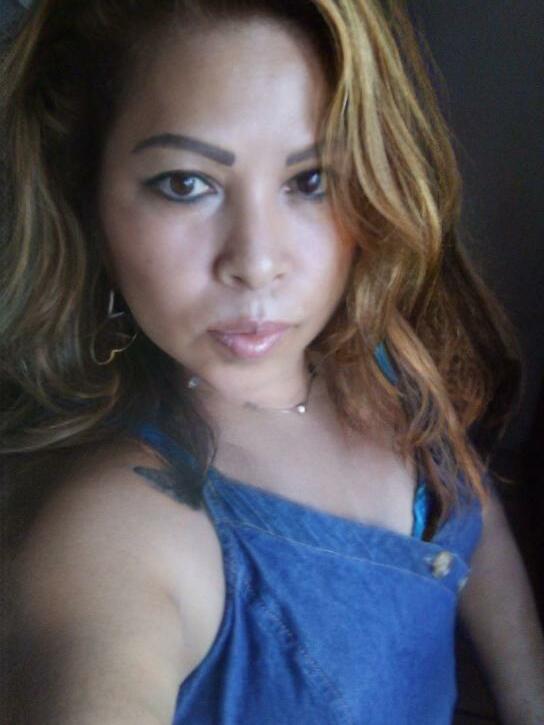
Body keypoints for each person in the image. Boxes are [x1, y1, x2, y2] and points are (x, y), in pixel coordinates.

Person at [1, 1, 543, 722]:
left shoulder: (380, 353)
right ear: (88, 196)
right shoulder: (113, 534)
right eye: (186, 182)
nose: (257, 263)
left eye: (311, 180)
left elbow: (472, 512)